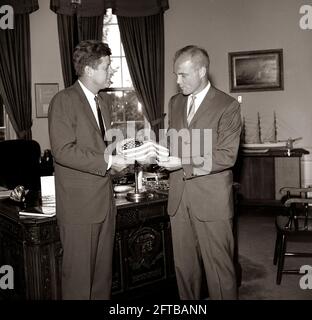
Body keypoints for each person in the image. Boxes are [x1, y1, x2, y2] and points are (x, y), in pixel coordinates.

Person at [48, 40, 151, 300]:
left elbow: (102, 146)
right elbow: (63, 151)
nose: (111, 72)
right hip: (79, 208)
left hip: (104, 203)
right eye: (107, 66)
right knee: (79, 282)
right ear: (89, 70)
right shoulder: (63, 101)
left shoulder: (102, 102)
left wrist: (130, 151)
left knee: (102, 280)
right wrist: (108, 162)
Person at [160, 45, 241, 300]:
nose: (177, 81)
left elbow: (226, 156)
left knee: (219, 272)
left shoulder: (227, 106)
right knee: (185, 271)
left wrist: (182, 164)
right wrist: (156, 151)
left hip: (211, 202)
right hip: (179, 199)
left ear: (202, 71)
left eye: (183, 75)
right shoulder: (175, 103)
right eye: (176, 75)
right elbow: (174, 144)